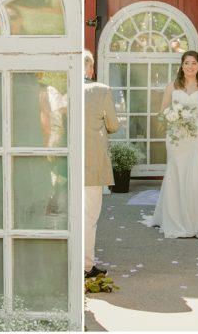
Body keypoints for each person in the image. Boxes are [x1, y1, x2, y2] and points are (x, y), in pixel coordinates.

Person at [143, 51, 198, 238]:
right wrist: (174, 117)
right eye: (186, 63)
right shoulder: (172, 86)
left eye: (193, 63)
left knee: (197, 173)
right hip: (177, 136)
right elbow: (162, 112)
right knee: (177, 172)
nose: (190, 66)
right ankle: (177, 220)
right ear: (181, 65)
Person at [83, 50, 119, 278]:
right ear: (90, 68)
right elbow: (113, 125)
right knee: (90, 216)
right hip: (92, 161)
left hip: (62, 163)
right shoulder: (101, 90)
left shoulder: (60, 89)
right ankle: (86, 266)